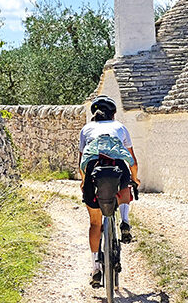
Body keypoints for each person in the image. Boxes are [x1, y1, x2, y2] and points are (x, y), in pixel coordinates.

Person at [78, 95, 140, 288]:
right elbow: (132, 160)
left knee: (95, 223)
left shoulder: (86, 129)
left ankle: (96, 267)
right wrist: (135, 179)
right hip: (118, 170)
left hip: (94, 174)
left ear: (94, 115)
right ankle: (125, 221)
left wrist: (83, 182)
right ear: (113, 114)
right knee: (125, 183)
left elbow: (82, 163)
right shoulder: (120, 128)